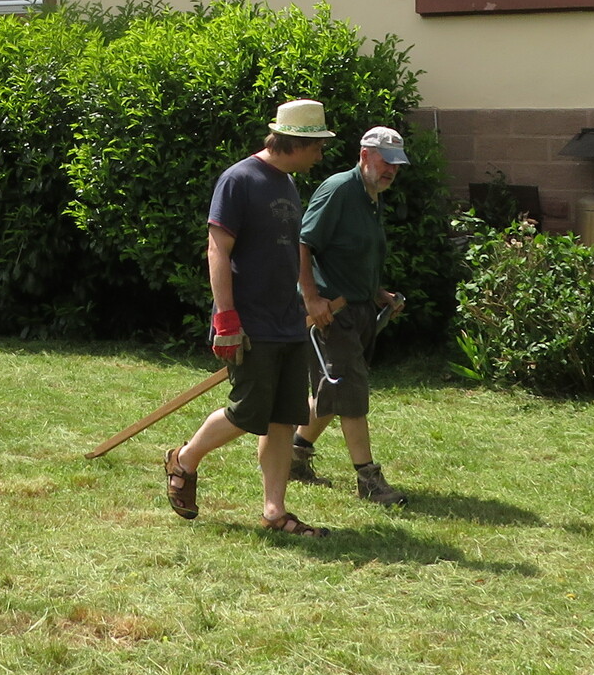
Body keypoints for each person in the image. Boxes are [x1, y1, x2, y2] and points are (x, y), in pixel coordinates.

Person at [162, 98, 336, 536]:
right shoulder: (239, 179)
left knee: (283, 417)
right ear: (295, 142)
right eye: (317, 146)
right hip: (249, 320)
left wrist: (305, 300)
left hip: (287, 319)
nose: (320, 155)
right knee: (247, 412)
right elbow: (217, 249)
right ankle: (184, 459)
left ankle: (275, 511)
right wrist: (226, 319)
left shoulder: (288, 184)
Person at [292, 125, 411, 505]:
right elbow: (303, 243)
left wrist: (378, 293)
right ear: (364, 155)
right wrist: (312, 298)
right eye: (386, 161)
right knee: (351, 391)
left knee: (334, 389)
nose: (392, 169)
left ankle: (294, 456)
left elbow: (351, 255)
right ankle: (368, 479)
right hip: (331, 312)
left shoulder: (371, 195)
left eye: (397, 163)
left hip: (358, 309)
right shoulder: (339, 189)